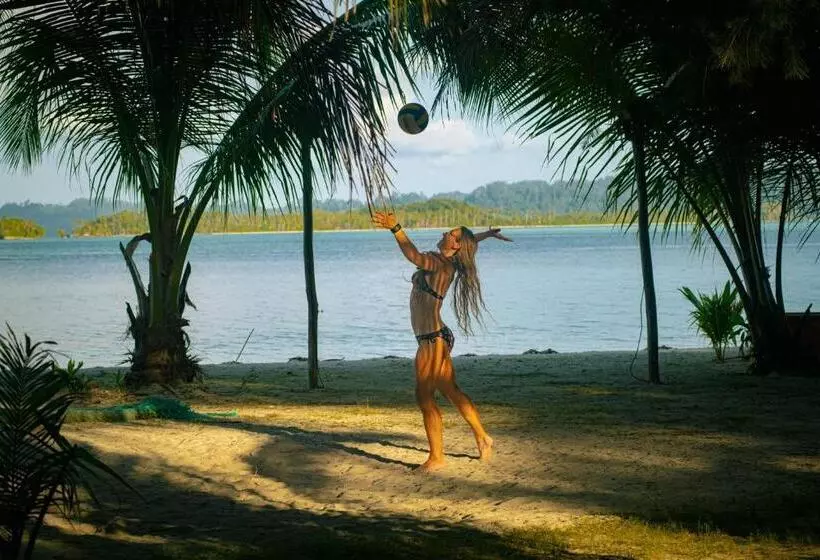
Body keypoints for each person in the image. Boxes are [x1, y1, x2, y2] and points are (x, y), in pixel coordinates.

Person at [372, 211, 512, 472]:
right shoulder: (448, 262)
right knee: (450, 391)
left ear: (455, 245)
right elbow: (467, 242)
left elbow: (413, 255)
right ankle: (483, 438)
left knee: (424, 396)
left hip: (432, 340)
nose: (444, 233)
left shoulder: (440, 265)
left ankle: (437, 458)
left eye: (450, 233)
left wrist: (396, 228)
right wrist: (486, 235)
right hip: (435, 337)